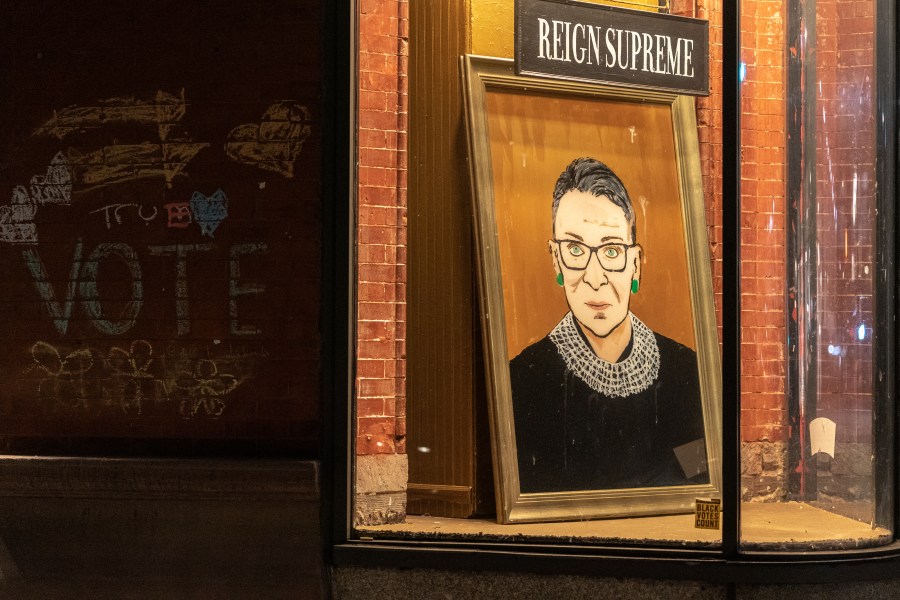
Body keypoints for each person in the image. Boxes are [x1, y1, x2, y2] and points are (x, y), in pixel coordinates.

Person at [509, 157, 709, 494]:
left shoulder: (684, 372)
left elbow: (700, 487)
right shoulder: (522, 380)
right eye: (575, 249)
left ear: (636, 264)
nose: (595, 277)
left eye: (612, 251)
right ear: (556, 259)